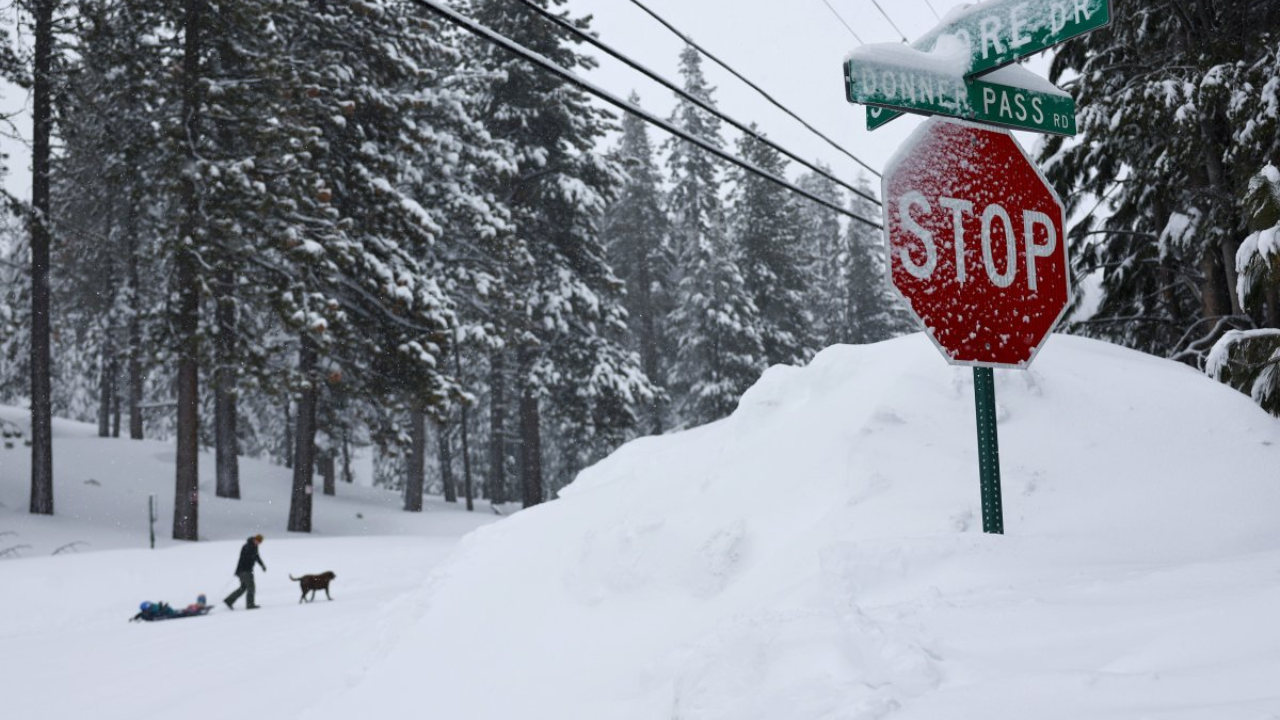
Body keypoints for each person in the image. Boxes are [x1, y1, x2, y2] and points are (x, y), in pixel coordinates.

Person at [224, 535, 266, 610]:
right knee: (251, 587)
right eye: (258, 541)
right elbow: (246, 558)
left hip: (245, 571)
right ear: (255, 539)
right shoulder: (247, 546)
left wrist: (262, 565)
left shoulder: (254, 546)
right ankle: (250, 604)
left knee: (243, 588)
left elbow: (257, 557)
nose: (258, 543)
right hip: (244, 571)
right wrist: (251, 561)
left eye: (260, 542)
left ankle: (229, 600)